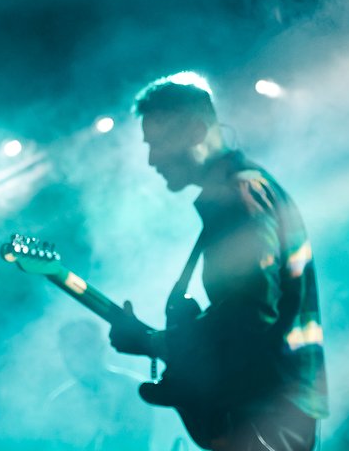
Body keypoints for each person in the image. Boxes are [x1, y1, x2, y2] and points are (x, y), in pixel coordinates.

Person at [108, 75, 328, 450]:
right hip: (272, 408)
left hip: (259, 414)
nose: (151, 159)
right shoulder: (250, 189)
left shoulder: (235, 196)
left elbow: (250, 316)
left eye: (158, 143)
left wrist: (157, 341)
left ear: (196, 130)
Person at [45, 320, 153, 450]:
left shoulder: (135, 388)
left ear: (101, 347)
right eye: (69, 347)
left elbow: (141, 440)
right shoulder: (59, 403)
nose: (76, 354)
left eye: (85, 345)